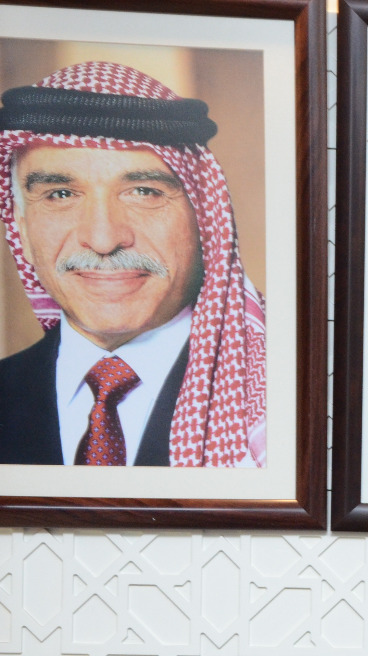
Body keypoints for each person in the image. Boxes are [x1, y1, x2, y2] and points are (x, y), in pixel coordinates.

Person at [0, 61, 267, 468]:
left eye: (144, 192)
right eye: (60, 194)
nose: (103, 239)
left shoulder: (282, 396)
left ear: (205, 218)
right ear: (20, 225)